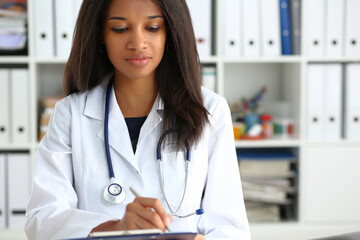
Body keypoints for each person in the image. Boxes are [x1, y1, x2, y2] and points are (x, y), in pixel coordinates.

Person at [25, 0, 251, 239]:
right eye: (120, 29)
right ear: (100, 34)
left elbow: (230, 227)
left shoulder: (211, 109)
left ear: (171, 32)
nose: (138, 43)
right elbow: (42, 219)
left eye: (153, 28)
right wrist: (114, 227)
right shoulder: (71, 114)